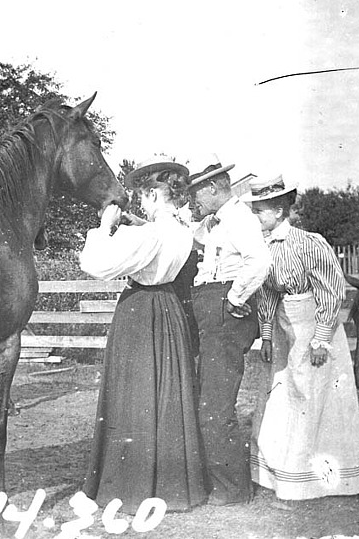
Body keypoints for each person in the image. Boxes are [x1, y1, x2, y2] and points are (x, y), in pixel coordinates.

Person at [79, 155, 208, 514]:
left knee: (133, 395)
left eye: (142, 195)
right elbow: (161, 246)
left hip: (139, 311)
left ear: (151, 194)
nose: (139, 202)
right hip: (168, 310)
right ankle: (172, 484)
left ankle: (129, 483)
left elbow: (95, 264)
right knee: (165, 394)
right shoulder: (181, 231)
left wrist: (105, 227)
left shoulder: (148, 234)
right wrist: (135, 225)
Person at [245, 174, 359, 506]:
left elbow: (331, 290)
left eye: (260, 210)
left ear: (279, 209)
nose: (256, 217)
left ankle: (324, 479)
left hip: (315, 326)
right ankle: (283, 474)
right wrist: (268, 334)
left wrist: (321, 340)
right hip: (285, 327)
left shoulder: (308, 242)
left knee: (314, 395)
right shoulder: (262, 247)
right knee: (282, 395)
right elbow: (267, 293)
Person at [186, 153, 271, 506]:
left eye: (197, 193)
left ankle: (232, 488)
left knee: (215, 405)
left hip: (224, 307)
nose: (194, 201)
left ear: (212, 186)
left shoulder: (239, 218)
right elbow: (196, 240)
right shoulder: (218, 222)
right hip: (211, 305)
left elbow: (261, 261)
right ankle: (221, 481)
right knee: (209, 399)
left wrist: (235, 298)